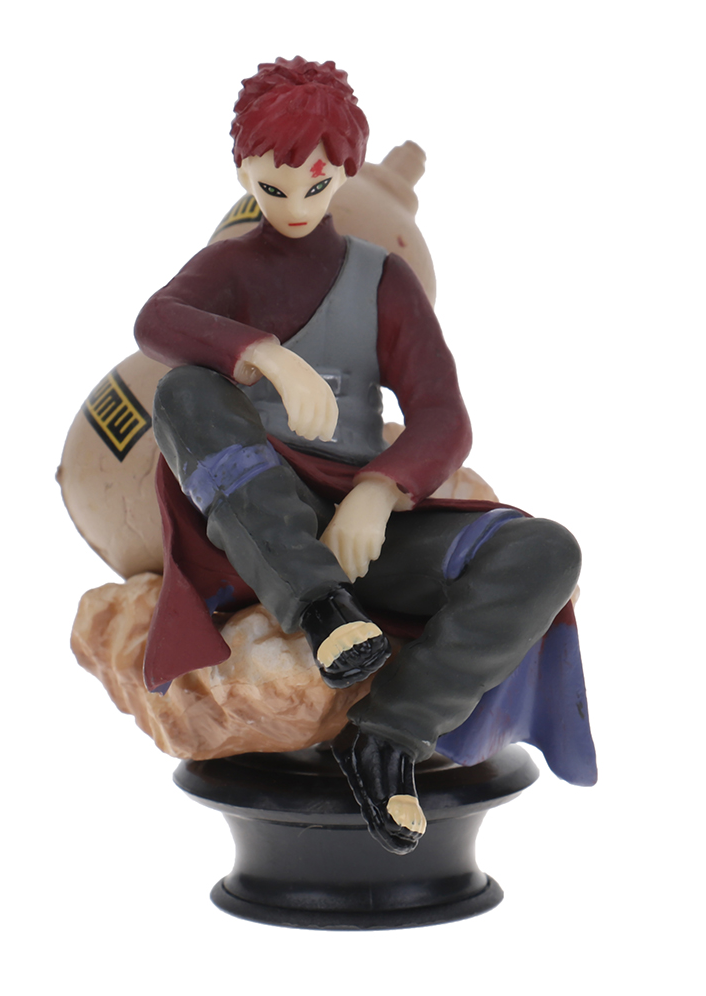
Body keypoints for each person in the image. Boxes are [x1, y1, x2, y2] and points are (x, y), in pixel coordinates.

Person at [134, 57, 592, 854]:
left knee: (546, 549)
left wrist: (379, 492)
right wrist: (262, 356)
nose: (295, 207)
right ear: (242, 172)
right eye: (272, 188)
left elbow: (443, 416)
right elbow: (156, 322)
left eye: (315, 185)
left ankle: (389, 737)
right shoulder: (229, 268)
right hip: (253, 523)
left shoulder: (382, 280)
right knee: (182, 394)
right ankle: (318, 610)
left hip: (356, 521)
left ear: (345, 172)